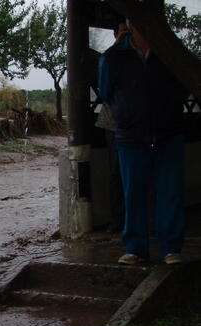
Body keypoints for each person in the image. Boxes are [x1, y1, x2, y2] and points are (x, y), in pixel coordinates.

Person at [99, 20, 189, 265]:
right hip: (131, 137)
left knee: (170, 194)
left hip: (168, 134)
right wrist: (126, 115)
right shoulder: (113, 56)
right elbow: (106, 92)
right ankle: (135, 249)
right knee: (133, 194)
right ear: (130, 24)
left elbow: (183, 87)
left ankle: (171, 249)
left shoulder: (169, 53)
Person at [95, 23, 128, 233]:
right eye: (122, 32)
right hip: (114, 123)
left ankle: (135, 221)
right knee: (117, 174)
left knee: (134, 174)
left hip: (138, 124)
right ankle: (118, 221)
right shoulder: (109, 57)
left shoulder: (145, 57)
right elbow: (104, 90)